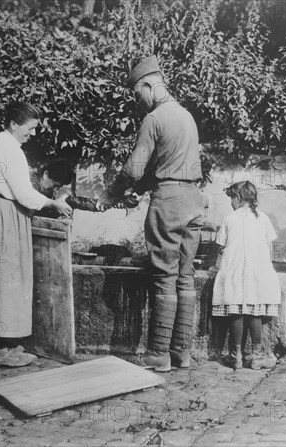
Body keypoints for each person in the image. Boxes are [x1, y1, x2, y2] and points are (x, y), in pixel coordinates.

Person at [96, 56, 204, 372]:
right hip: (194, 202)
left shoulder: (154, 118)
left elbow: (135, 167)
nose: (137, 100)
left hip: (169, 204)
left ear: (148, 85)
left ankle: (158, 353)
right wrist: (141, 189)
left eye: (136, 93)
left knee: (164, 277)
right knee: (186, 276)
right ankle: (181, 353)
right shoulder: (186, 116)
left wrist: (111, 194)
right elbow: (168, 163)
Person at [0, 102, 72, 367]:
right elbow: (22, 192)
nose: (32, 134)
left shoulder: (3, 144)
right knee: (5, 275)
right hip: (1, 214)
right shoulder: (9, 148)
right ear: (13, 124)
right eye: (29, 129)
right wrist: (54, 204)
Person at [212, 181, 280, 370]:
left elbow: (221, 246)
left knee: (236, 311)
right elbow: (269, 247)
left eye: (232, 199)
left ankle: (236, 357)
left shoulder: (229, 219)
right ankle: (257, 357)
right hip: (257, 272)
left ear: (239, 198)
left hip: (234, 271)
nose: (231, 203)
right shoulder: (263, 218)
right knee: (255, 312)